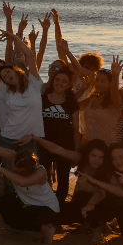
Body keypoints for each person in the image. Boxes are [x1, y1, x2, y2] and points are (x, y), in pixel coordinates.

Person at [0, 29, 44, 158]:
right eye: (3, 76)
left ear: (16, 71)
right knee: (9, 175)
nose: (6, 75)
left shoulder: (34, 83)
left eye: (8, 72)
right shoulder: (5, 90)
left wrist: (14, 38)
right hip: (7, 139)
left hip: (29, 140)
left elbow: (30, 56)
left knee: (31, 173)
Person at [36, 67, 79, 203]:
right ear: (53, 81)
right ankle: (45, 201)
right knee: (42, 174)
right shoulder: (41, 99)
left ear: (68, 84)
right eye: (57, 80)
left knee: (63, 176)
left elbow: (76, 129)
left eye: (64, 81)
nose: (59, 83)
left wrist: (76, 152)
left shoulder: (71, 103)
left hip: (65, 145)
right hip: (44, 143)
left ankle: (59, 205)